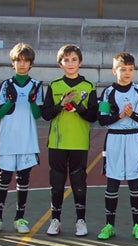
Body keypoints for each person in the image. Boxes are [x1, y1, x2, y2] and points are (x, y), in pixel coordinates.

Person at [41, 44, 99, 236]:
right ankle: (55, 219)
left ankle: (80, 220)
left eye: (74, 59)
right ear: (60, 64)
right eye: (66, 60)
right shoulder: (55, 85)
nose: (71, 63)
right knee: (57, 183)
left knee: (79, 182)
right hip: (57, 143)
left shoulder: (89, 86)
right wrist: (61, 105)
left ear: (80, 62)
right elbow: (46, 114)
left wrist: (78, 108)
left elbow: (93, 116)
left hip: (79, 142)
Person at [0, 43, 43, 235]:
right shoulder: (6, 85)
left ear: (30, 63)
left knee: (23, 180)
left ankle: (20, 218)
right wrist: (11, 101)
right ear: (13, 63)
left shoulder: (36, 86)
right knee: (3, 179)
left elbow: (37, 115)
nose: (22, 64)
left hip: (27, 140)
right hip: (8, 140)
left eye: (25, 61)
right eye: (18, 60)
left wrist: (32, 100)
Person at [95, 52, 138, 241]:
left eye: (130, 70)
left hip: (134, 138)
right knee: (112, 184)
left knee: (135, 183)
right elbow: (102, 120)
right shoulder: (107, 93)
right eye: (122, 69)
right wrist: (120, 115)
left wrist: (132, 114)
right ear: (114, 70)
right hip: (114, 140)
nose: (126, 73)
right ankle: (109, 225)